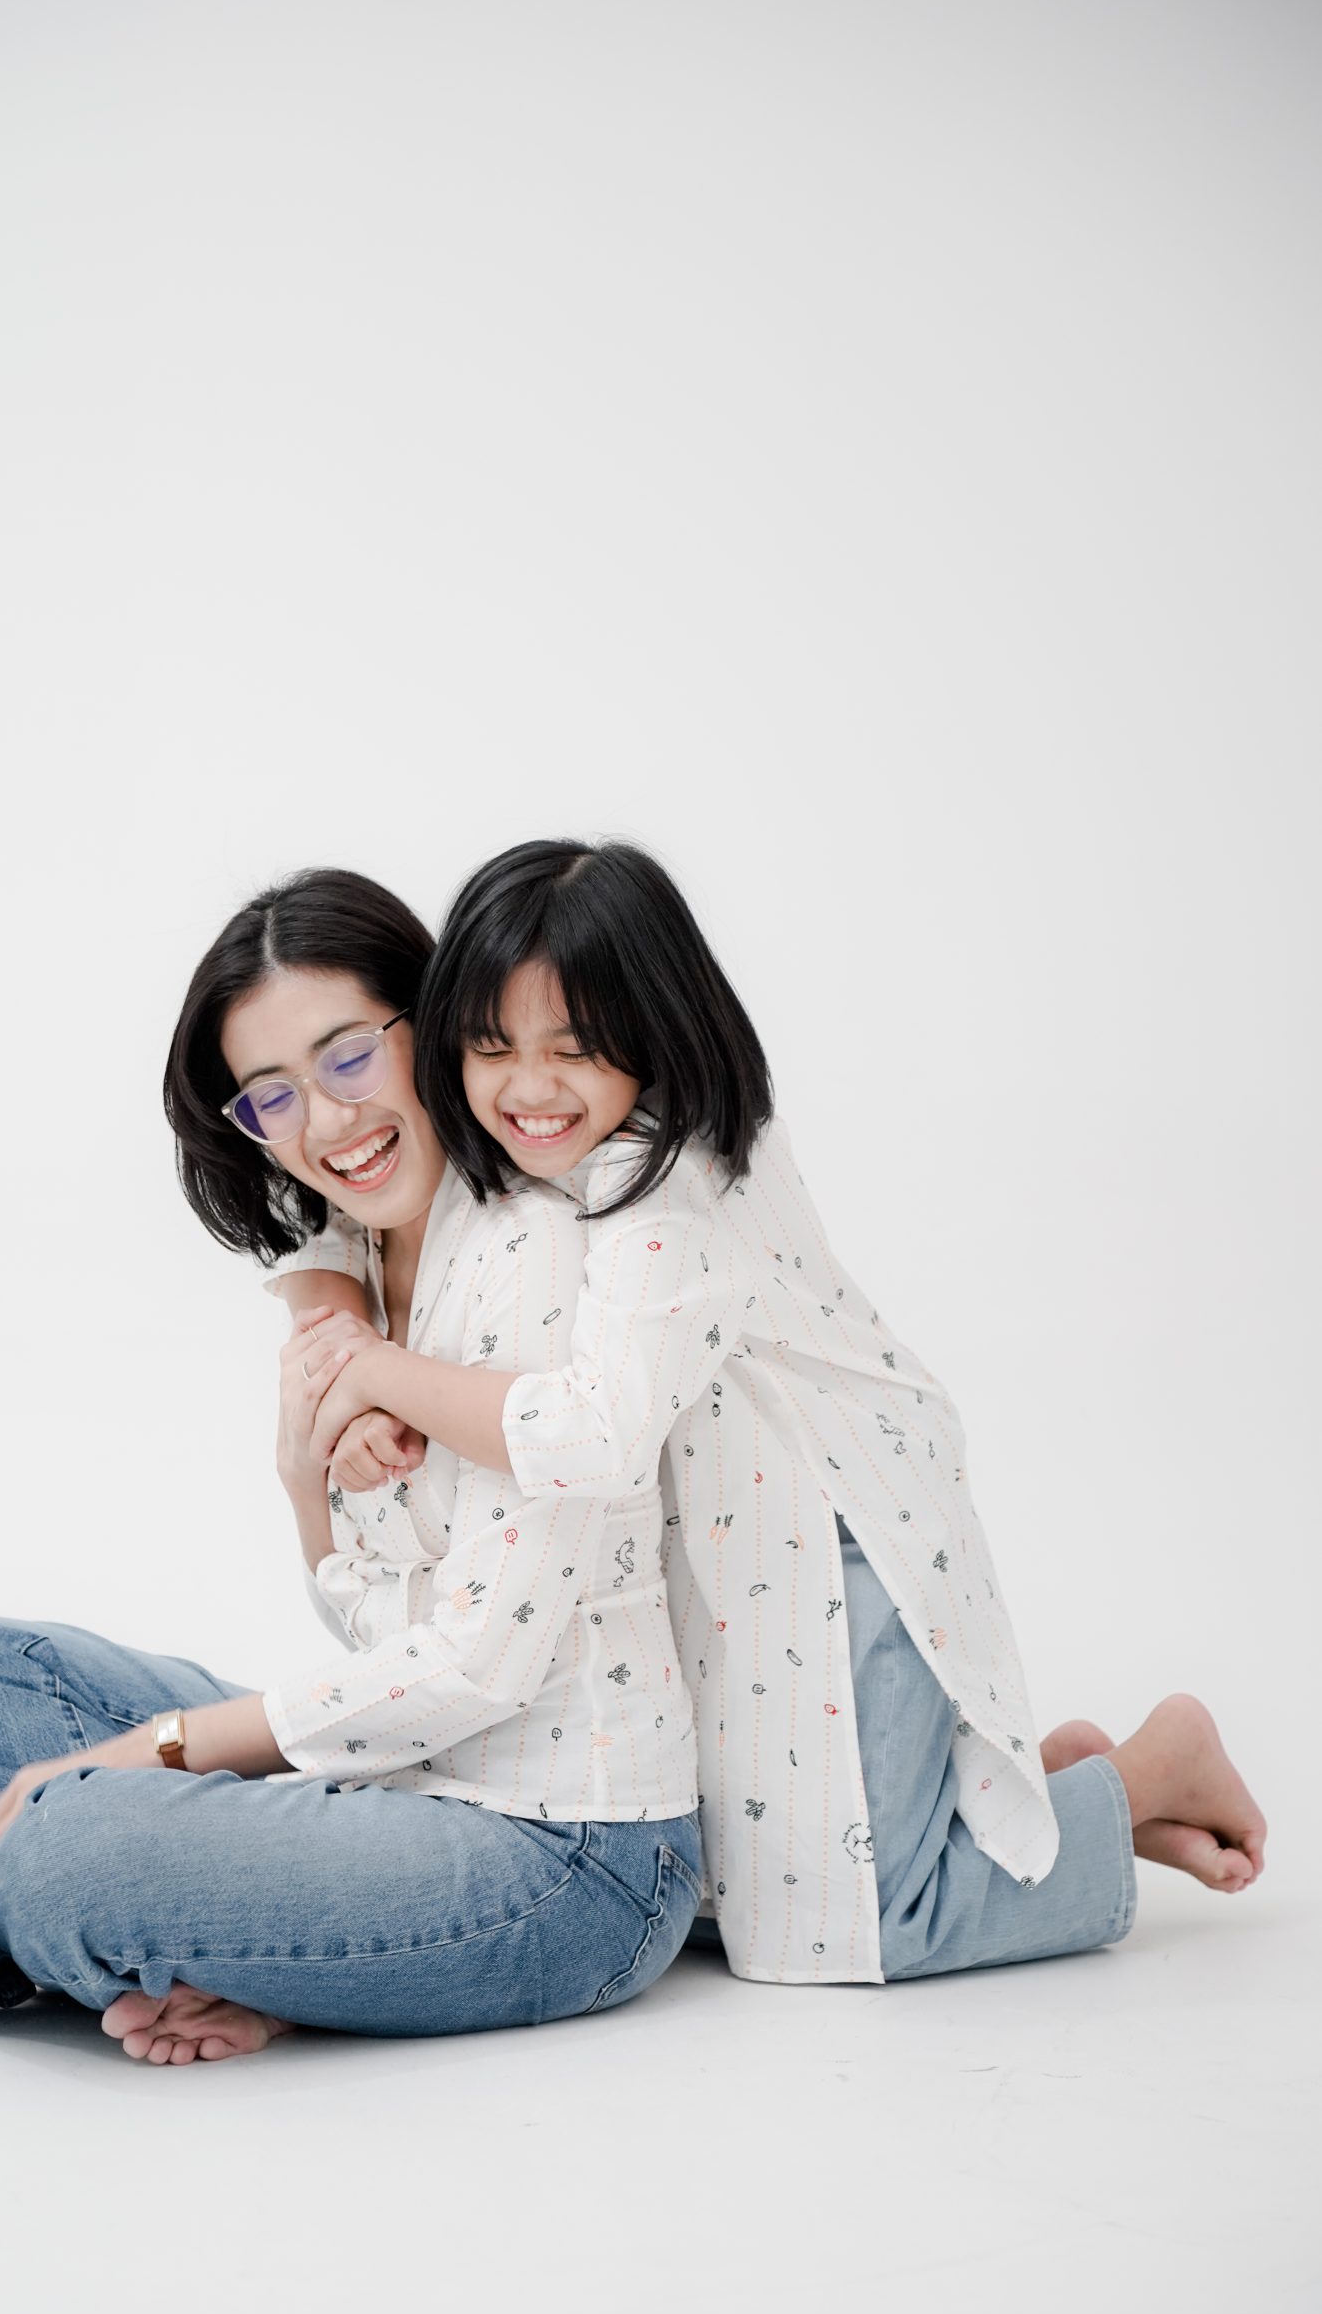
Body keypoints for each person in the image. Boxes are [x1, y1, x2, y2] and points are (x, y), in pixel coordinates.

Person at [284, 838, 1268, 1986]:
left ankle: (1146, 1773)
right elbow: (334, 1215)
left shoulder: (662, 1180)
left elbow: (595, 1435)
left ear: (656, 1031)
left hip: (837, 1526)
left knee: (854, 1925)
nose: (529, 1089)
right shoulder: (547, 1152)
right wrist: (335, 1318)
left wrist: (371, 1372)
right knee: (734, 1890)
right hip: (726, 1535)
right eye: (492, 1047)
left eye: (576, 1048)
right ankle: (1034, 1791)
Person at [0, 870, 703, 2063]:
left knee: (73, 1845)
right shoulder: (355, 1266)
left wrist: (148, 1751)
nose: (325, 1123)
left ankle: (93, 1898)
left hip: (567, 1858)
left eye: (349, 1057)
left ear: (433, 1024)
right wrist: (299, 1483)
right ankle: (239, 1926)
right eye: (273, 1094)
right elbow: (377, 1627)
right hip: (404, 1785)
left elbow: (477, 1667)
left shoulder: (533, 1251)